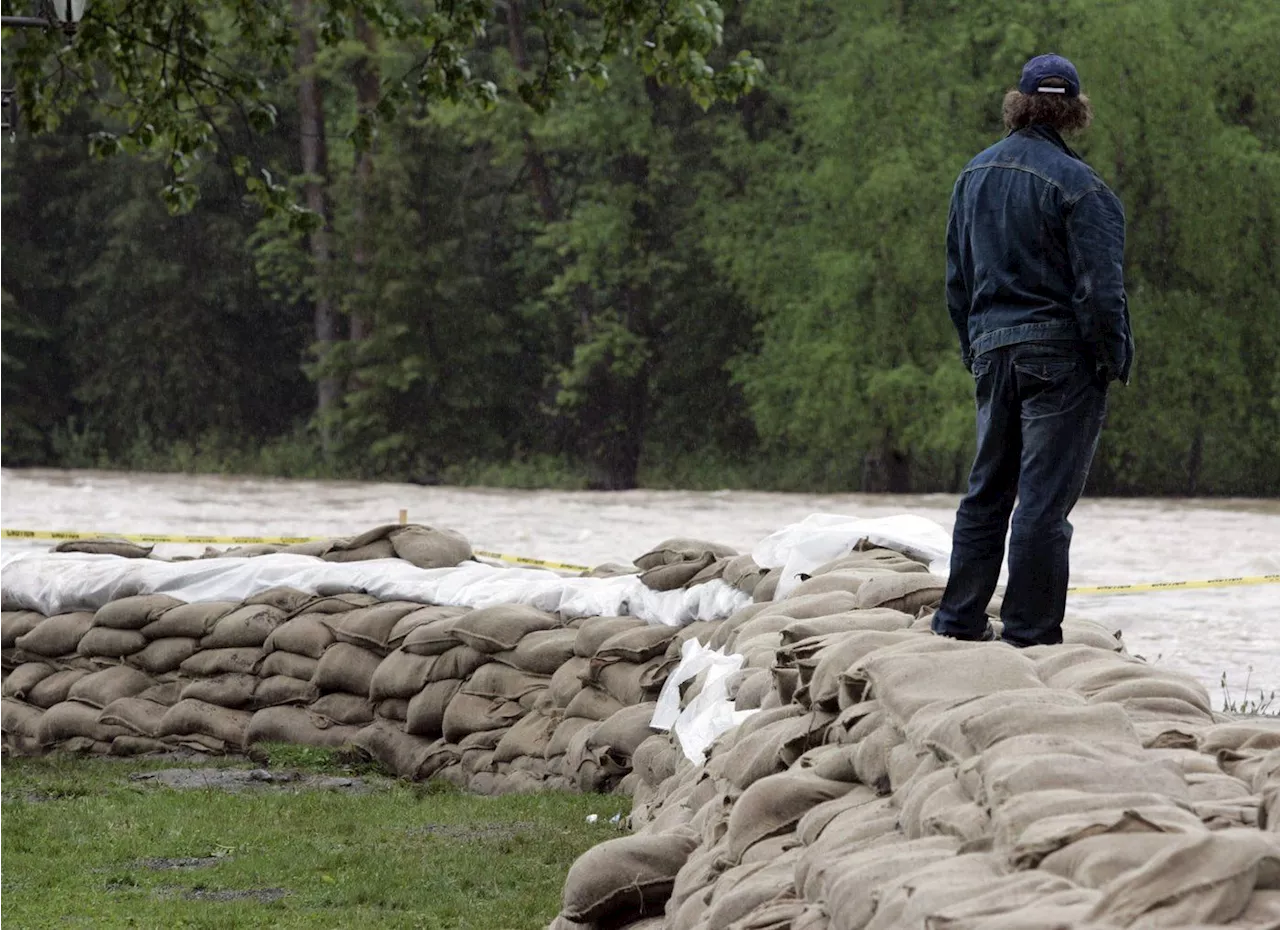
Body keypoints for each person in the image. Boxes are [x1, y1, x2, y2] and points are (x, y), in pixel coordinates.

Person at [932, 53, 1134, 647]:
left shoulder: (971, 176)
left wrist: (977, 348)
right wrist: (1112, 357)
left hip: (994, 350)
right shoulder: (1083, 188)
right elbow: (1100, 291)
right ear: (1074, 111)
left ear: (1017, 104)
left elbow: (956, 282)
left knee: (986, 493)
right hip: (1061, 359)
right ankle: (1029, 635)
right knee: (1042, 507)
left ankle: (958, 622)